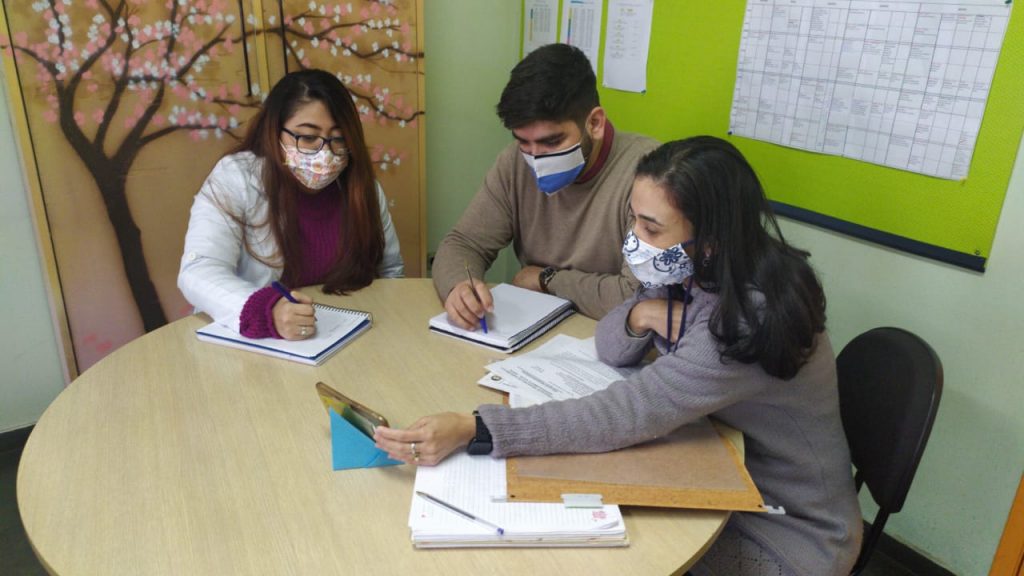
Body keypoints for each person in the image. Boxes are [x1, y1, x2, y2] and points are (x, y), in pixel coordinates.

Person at [376, 137, 862, 576]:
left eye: (651, 227)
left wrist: (475, 427)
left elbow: (623, 413)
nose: (633, 239)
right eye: (633, 217)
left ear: (711, 239)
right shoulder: (690, 267)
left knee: (600, 552)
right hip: (720, 470)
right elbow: (610, 345)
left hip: (786, 530)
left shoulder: (744, 318)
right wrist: (642, 315)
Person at [432, 43, 658, 327]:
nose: (536, 158)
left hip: (610, 337)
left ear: (595, 123)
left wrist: (546, 279)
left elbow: (638, 296)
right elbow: (463, 243)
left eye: (552, 142)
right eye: (523, 141)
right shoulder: (514, 163)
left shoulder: (650, 175)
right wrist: (458, 287)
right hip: (535, 334)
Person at [178, 69, 403, 340]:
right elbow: (198, 271)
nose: (325, 153)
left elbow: (389, 272)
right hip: (260, 342)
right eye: (307, 137)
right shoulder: (235, 178)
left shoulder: (361, 187)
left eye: (339, 139)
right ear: (274, 131)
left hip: (344, 338)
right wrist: (266, 311)